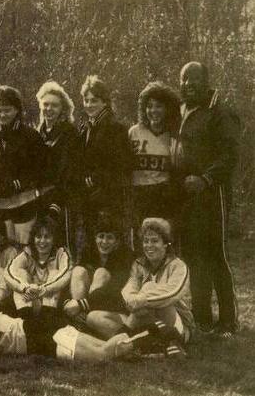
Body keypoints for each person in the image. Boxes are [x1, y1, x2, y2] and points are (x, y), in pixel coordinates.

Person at [0, 281, 182, 361]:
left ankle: (155, 335)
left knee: (104, 354)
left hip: (39, 337)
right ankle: (153, 339)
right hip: (40, 332)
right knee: (104, 351)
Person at [173, 61, 240, 338]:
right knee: (193, 257)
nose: (189, 85)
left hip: (213, 196)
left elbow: (229, 156)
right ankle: (201, 318)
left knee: (215, 256)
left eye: (194, 80)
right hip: (187, 197)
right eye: (184, 80)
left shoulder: (219, 112)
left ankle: (228, 322)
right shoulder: (181, 110)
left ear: (206, 82)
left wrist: (205, 179)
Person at [85, 218, 191, 358]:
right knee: (93, 317)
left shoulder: (178, 266)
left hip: (175, 322)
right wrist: (132, 300)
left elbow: (172, 293)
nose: (149, 245)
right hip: (142, 318)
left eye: (154, 241)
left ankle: (125, 341)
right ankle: (148, 347)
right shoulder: (139, 264)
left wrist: (142, 298)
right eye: (146, 241)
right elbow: (129, 287)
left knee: (149, 287)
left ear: (166, 243)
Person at [77, 76, 132, 249]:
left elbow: (122, 163)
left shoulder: (115, 128)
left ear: (105, 102)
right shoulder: (86, 127)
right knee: (93, 243)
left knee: (110, 242)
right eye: (86, 100)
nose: (89, 105)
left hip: (109, 196)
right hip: (90, 196)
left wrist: (97, 178)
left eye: (95, 100)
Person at [0, 85, 43, 246]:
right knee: (4, 248)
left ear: (17, 110)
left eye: (7, 110)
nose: (2, 115)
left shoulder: (31, 136)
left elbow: (39, 169)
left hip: (24, 203)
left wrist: (20, 183)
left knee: (23, 248)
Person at [63, 213, 133, 331]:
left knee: (101, 273)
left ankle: (88, 321)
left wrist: (82, 304)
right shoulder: (89, 253)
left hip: (111, 307)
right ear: (95, 238)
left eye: (110, 237)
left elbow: (113, 290)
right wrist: (67, 302)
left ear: (117, 241)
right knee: (78, 270)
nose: (104, 241)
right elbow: (73, 281)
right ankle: (79, 319)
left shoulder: (124, 256)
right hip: (84, 305)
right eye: (101, 236)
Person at [128, 82, 180, 235]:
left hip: (163, 196)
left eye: (158, 106)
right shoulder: (134, 132)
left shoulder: (174, 135)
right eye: (149, 106)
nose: (153, 111)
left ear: (167, 108)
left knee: (162, 240)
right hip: (138, 196)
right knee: (139, 241)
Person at [35, 81, 80, 253]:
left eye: (54, 105)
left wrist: (57, 201)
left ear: (63, 108)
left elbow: (69, 171)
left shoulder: (69, 132)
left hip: (63, 197)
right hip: (42, 197)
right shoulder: (39, 132)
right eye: (45, 104)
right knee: (44, 241)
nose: (49, 109)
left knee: (62, 242)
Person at [5, 215, 71, 319]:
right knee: (21, 274)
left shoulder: (61, 253)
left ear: (54, 238)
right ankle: (26, 320)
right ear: (33, 238)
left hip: (53, 304)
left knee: (54, 273)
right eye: (38, 236)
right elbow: (9, 272)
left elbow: (66, 274)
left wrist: (45, 289)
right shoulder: (27, 253)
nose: (42, 241)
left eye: (47, 237)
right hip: (31, 299)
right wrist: (25, 288)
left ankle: (46, 320)